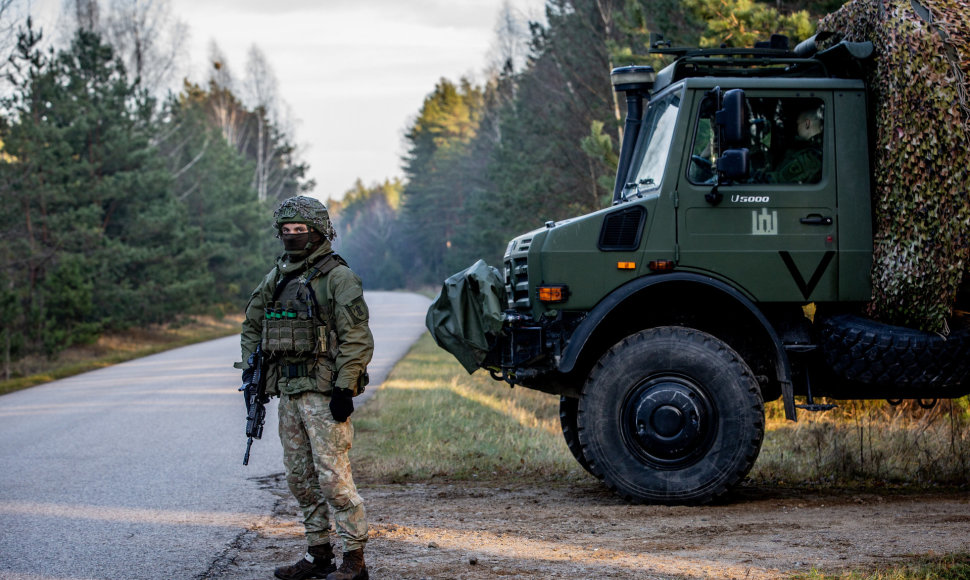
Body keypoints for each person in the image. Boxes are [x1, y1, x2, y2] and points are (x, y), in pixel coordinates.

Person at [237, 195, 374, 580]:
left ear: (317, 233)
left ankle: (354, 559)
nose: (292, 236)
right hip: (290, 391)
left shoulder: (338, 277)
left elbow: (357, 339)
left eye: (299, 230)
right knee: (299, 477)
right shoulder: (278, 276)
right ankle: (318, 554)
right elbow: (252, 324)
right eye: (286, 230)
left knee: (333, 477)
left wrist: (345, 388)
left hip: (324, 391)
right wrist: (253, 373)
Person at [768, 105, 823, 184]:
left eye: (798, 124)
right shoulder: (815, 148)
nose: (797, 129)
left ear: (807, 124)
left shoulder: (810, 157)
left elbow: (778, 180)